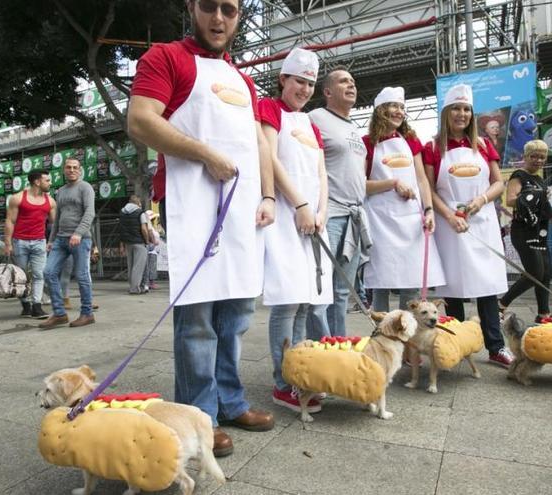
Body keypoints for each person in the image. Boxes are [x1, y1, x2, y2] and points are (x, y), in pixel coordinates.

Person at [127, 0, 277, 458]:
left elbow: (257, 145)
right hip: (192, 203)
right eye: (209, 6)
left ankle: (229, 402)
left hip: (241, 208)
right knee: (196, 317)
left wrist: (269, 195)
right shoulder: (165, 58)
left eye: (229, 10)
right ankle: (200, 417)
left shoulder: (244, 79)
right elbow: (140, 120)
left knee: (237, 314)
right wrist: (206, 154)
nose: (219, 18)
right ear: (192, 7)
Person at [258, 47, 332, 413]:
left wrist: (320, 211)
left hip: (312, 222)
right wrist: (300, 205)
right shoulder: (269, 110)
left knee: (305, 301)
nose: (304, 89)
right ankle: (282, 382)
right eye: (299, 81)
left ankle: (300, 376)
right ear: (283, 79)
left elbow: (321, 174)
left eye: (310, 84)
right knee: (287, 302)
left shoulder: (312, 125)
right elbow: (268, 158)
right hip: (285, 217)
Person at [422, 83, 513, 368]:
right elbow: (428, 187)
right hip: (451, 226)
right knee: (454, 288)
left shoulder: (484, 145)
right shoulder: (433, 147)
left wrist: (479, 201)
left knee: (487, 286)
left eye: (466, 109)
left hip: (483, 222)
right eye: (456, 109)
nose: (462, 114)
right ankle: (457, 343)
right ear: (447, 112)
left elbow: (498, 183)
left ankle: (495, 346)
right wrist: (449, 215)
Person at [362, 86, 444, 311]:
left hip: (411, 220)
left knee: (412, 281)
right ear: (380, 110)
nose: (399, 111)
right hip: (381, 221)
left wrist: (428, 210)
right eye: (394, 106)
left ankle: (409, 337)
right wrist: (392, 183)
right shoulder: (366, 143)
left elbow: (421, 180)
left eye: (401, 107)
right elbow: (361, 185)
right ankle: (382, 333)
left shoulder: (409, 139)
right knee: (381, 282)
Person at [308, 69, 369, 336]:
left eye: (354, 82)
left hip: (354, 217)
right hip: (330, 214)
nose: (352, 85)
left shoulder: (354, 128)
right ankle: (319, 352)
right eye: (344, 81)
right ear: (328, 91)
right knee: (320, 289)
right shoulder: (315, 118)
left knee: (343, 290)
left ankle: (338, 348)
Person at [498, 140, 552, 321]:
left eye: (542, 157)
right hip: (523, 230)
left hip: (540, 230)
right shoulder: (519, 175)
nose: (538, 160)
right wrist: (534, 196)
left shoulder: (540, 180)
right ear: (525, 157)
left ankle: (543, 313)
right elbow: (511, 200)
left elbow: (543, 205)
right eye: (534, 156)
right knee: (535, 273)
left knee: (546, 272)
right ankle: (501, 304)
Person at [40, 158, 96, 329]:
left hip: (80, 239)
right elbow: (57, 219)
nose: (72, 170)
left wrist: (78, 233)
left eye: (75, 167)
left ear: (80, 170)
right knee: (48, 272)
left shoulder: (85, 187)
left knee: (82, 276)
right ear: (64, 170)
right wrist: (51, 240)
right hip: (60, 239)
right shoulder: (61, 191)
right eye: (68, 167)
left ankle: (87, 314)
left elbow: (90, 213)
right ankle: (59, 313)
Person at [5, 170, 55, 319]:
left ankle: (37, 306)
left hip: (40, 242)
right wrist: (7, 243)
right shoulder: (18, 198)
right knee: (22, 277)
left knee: (39, 275)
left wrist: (51, 241)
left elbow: (55, 224)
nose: (50, 183)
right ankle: (26, 305)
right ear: (37, 182)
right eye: (47, 180)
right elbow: (10, 221)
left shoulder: (51, 201)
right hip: (20, 242)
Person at [119, 195, 150, 294]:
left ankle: (132, 285)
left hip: (128, 242)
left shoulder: (122, 213)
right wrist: (147, 241)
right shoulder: (140, 213)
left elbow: (121, 229)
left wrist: (122, 244)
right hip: (139, 242)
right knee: (138, 267)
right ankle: (134, 289)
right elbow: (144, 229)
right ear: (137, 203)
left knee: (131, 266)